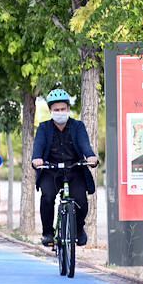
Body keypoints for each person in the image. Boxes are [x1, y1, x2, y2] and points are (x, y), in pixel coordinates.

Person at [31, 89, 98, 247]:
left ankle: (79, 229)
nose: (60, 112)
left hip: (74, 170)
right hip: (50, 170)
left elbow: (84, 145)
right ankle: (48, 232)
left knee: (81, 200)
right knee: (47, 197)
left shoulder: (77, 126)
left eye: (63, 109)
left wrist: (90, 156)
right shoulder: (44, 128)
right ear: (50, 111)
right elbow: (38, 147)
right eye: (56, 110)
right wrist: (36, 159)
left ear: (68, 109)